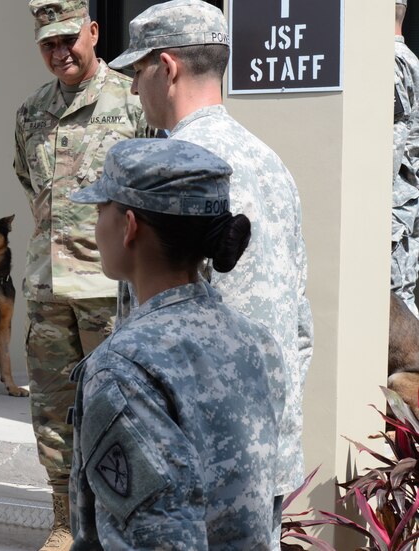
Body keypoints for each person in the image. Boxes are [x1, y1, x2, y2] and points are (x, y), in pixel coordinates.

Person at [110, 0, 313, 541]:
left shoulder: (168, 171)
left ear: (167, 67)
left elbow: (145, 331)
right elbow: (300, 324)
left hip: (187, 461)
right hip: (263, 453)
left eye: (137, 71)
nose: (133, 89)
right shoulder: (273, 164)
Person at [68, 138, 285, 550]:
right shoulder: (256, 341)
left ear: (129, 226)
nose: (95, 226)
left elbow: (157, 537)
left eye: (100, 210)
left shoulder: (123, 367)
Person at [13, 1, 156, 548]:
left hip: (109, 291)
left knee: (119, 411)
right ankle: (64, 520)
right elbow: (32, 188)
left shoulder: (132, 100)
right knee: (52, 412)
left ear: (93, 32)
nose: (59, 51)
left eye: (68, 38)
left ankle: (121, 524)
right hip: (48, 290)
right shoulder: (29, 113)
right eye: (47, 43)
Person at [393, 0, 419, 317]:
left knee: (395, 312)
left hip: (393, 217)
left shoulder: (392, 64)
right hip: (404, 212)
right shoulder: (409, 60)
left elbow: (388, 147)